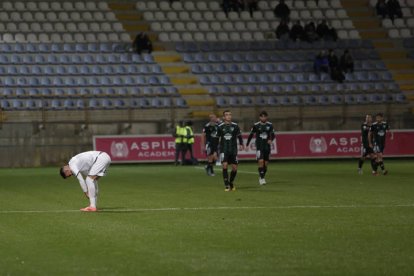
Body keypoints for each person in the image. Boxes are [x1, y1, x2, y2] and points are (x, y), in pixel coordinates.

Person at [217, 110, 245, 191]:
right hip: (224, 149)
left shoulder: (235, 126)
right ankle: (226, 185)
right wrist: (215, 150)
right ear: (224, 117)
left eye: (230, 114)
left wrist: (241, 144)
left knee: (234, 168)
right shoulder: (220, 127)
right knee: (224, 165)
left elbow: (239, 136)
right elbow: (216, 138)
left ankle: (231, 182)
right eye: (227, 115)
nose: (228, 116)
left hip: (233, 150)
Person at [246, 111, 275, 185]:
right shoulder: (256, 125)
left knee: (266, 164)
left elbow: (273, 135)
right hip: (259, 146)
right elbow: (251, 135)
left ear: (267, 117)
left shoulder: (270, 125)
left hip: (267, 147)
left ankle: (261, 176)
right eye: (262, 116)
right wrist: (247, 144)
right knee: (261, 161)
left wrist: (270, 139)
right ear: (260, 117)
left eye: (265, 116)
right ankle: (262, 179)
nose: (263, 118)